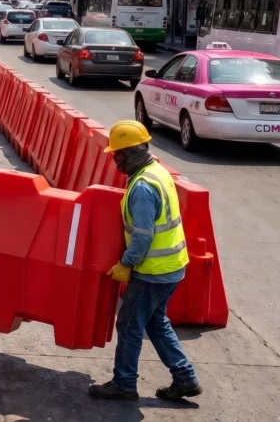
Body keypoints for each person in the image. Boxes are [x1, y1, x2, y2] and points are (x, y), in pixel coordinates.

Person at [89, 121, 201, 403]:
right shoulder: (157, 171)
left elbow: (142, 236)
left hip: (152, 271)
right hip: (173, 266)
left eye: (118, 154)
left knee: (129, 325)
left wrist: (126, 264)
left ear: (132, 152)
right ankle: (185, 378)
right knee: (155, 322)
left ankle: (124, 383)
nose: (115, 161)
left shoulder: (142, 187)